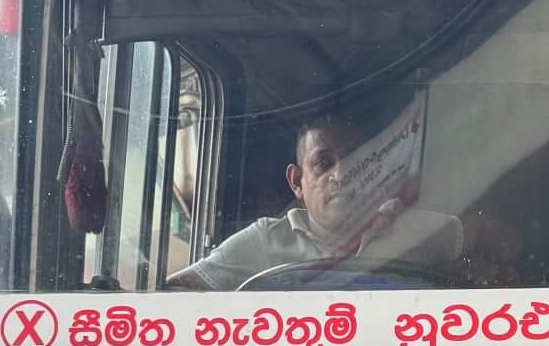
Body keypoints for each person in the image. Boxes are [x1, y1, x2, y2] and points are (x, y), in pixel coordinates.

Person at [166, 117, 462, 290]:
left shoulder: (418, 228)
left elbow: (491, 245)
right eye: (323, 162)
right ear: (297, 181)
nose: (342, 174)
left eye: (356, 161)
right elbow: (179, 293)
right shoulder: (265, 240)